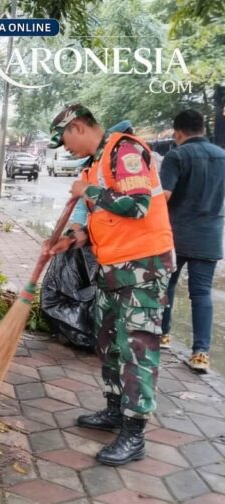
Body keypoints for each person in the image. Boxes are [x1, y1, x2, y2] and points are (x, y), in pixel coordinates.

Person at [47, 104, 174, 466]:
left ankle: (134, 434)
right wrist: (72, 239)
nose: (65, 148)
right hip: (113, 268)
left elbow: (137, 206)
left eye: (65, 139)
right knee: (109, 343)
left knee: (137, 348)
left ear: (78, 127)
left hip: (144, 268)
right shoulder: (95, 164)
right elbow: (105, 220)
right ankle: (115, 410)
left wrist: (89, 189)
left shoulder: (126, 151)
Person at [160, 109, 225, 372]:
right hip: (209, 236)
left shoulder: (176, 156)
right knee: (201, 293)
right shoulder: (222, 156)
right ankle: (200, 353)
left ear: (177, 133)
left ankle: (162, 335)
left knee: (167, 286)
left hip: (175, 234)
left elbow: (163, 196)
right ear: (202, 129)